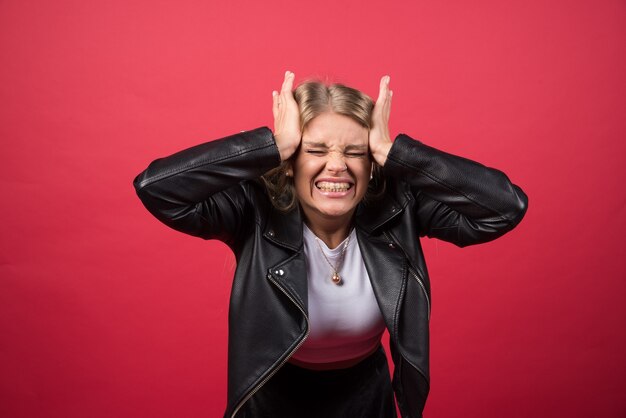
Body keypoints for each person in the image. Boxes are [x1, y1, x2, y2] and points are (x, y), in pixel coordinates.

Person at [133, 71, 528, 418]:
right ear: (291, 160)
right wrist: (270, 145)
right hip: (270, 398)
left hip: (366, 398)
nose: (337, 164)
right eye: (316, 150)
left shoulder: (399, 206)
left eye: (355, 151)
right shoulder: (254, 209)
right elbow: (157, 188)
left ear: (371, 164)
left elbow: (505, 207)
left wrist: (397, 153)